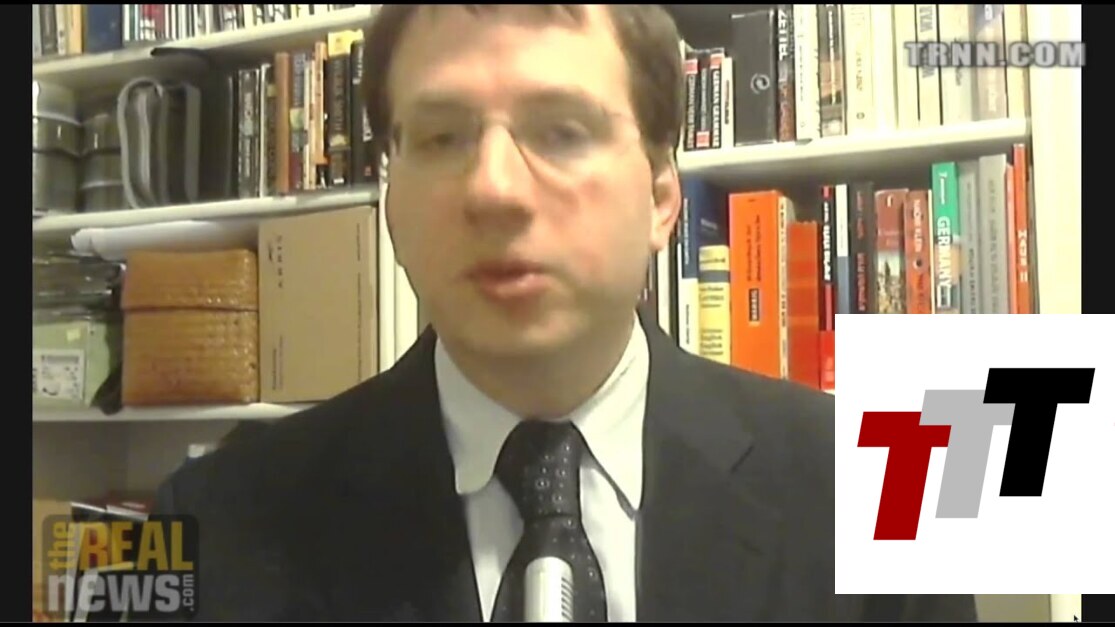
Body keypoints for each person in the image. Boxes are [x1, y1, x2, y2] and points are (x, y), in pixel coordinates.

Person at [152, 4, 978, 622]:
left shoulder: (886, 479)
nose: (495, 190)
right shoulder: (199, 516)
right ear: (391, 202)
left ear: (661, 196)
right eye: (441, 138)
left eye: (562, 131)